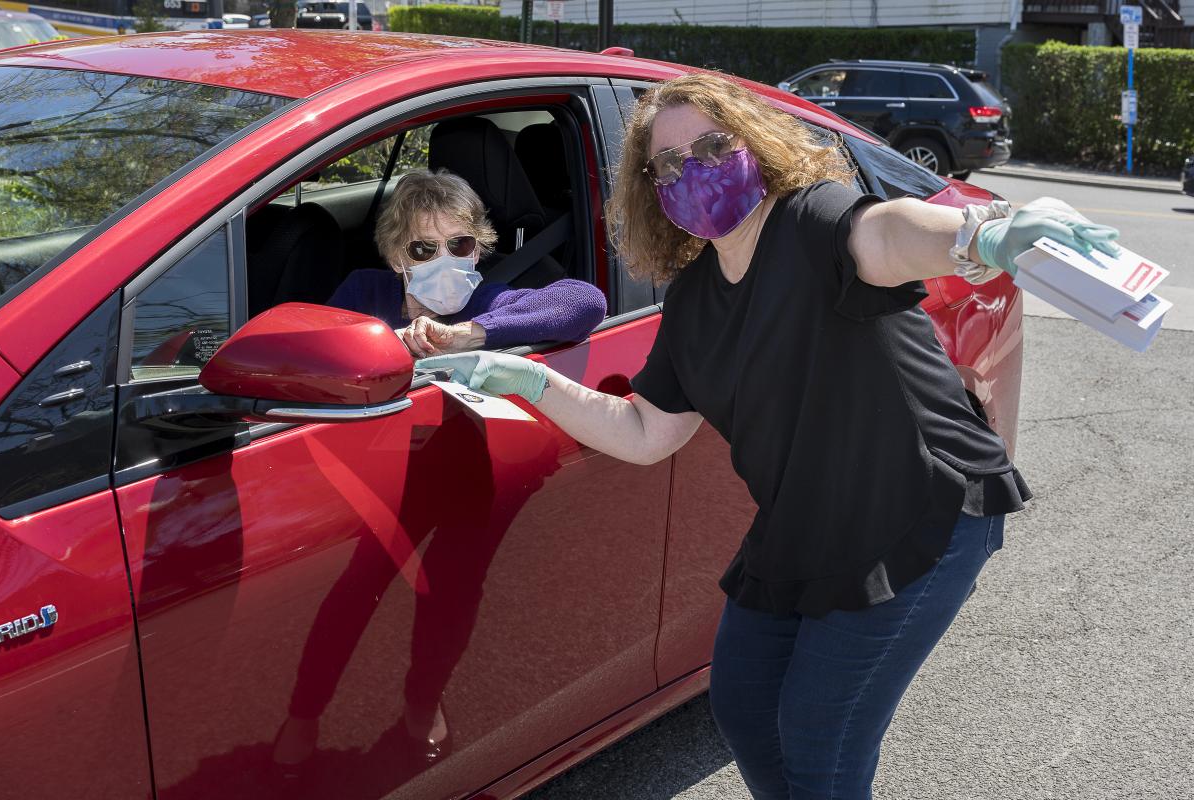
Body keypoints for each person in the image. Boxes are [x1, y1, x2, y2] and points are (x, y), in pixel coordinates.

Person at [418, 73, 1122, 799]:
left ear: (757, 147)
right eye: (670, 163)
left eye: (715, 146)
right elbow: (646, 430)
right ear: (652, 189)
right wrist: (527, 382)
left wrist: (982, 234)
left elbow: (887, 235)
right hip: (801, 526)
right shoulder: (693, 297)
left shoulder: (813, 220)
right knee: (747, 709)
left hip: (917, 508)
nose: (696, 170)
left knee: (821, 742)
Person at [328, 168, 606, 357]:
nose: (444, 260)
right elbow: (314, 346)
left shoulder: (486, 302)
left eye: (459, 244)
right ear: (397, 258)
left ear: (475, 252)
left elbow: (586, 301)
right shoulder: (362, 291)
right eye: (424, 248)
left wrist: (465, 335)